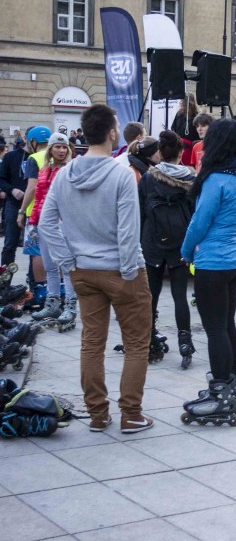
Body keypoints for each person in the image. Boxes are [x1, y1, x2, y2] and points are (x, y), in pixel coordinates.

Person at [39, 104, 154, 433]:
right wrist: (130, 270)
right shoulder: (120, 173)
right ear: (112, 133)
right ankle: (131, 414)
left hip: (84, 271)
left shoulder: (63, 175)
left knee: (92, 343)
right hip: (122, 270)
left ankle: (97, 414)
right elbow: (129, 230)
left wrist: (68, 261)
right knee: (135, 344)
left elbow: (46, 225)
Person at [180, 118, 236, 426]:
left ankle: (219, 391)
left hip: (213, 260)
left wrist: (185, 251)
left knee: (214, 329)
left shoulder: (217, 179)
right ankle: (232, 384)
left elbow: (200, 221)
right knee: (226, 325)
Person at [138, 130, 196, 368]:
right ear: (181, 153)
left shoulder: (148, 178)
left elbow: (139, 212)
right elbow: (195, 214)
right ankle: (185, 341)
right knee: (179, 295)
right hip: (180, 243)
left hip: (152, 242)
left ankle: (150, 340)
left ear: (160, 153)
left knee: (150, 295)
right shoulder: (191, 180)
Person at [28, 133, 78, 329]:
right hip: (44, 223)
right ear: (50, 149)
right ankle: (53, 302)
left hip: (63, 223)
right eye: (57, 147)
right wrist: (33, 221)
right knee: (50, 266)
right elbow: (39, 197)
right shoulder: (45, 170)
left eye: (64, 147)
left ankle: (71, 306)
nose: (61, 150)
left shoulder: (70, 170)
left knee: (66, 266)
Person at [18, 127, 52, 310]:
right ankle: (60, 292)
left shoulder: (35, 158)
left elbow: (31, 188)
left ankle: (41, 292)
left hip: (37, 211)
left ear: (33, 141)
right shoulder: (62, 154)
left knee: (37, 252)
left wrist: (21, 211)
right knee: (57, 252)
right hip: (58, 212)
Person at [0, 127, 39, 266]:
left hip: (36, 206)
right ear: (27, 139)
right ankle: (5, 283)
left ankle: (34, 284)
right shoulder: (11, 157)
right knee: (10, 244)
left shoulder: (43, 159)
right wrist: (12, 190)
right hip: (14, 204)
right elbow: (2, 179)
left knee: (35, 248)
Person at [170, 94, 200, 166]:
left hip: (190, 147)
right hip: (180, 145)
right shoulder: (179, 114)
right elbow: (173, 128)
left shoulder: (196, 115)